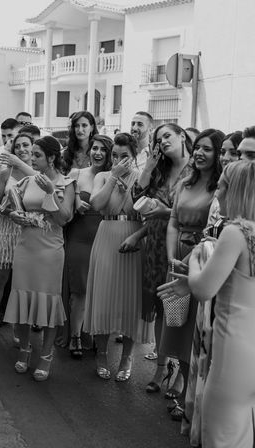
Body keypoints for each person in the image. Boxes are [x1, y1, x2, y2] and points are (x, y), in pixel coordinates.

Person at [182, 160, 255, 448]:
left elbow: (202, 289)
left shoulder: (236, 232)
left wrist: (198, 259)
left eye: (223, 186)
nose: (217, 193)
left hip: (234, 351)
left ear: (237, 190)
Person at [162, 128, 223, 421]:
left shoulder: (219, 188)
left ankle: (191, 395)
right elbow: (173, 220)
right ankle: (183, 382)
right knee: (177, 327)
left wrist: (187, 261)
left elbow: (211, 233)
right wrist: (171, 257)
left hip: (202, 260)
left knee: (195, 333)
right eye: (197, 147)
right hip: (176, 258)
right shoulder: (186, 182)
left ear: (219, 154)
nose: (199, 153)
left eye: (208, 149)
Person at [5, 136, 76, 381]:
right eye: (31, 154)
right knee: (22, 299)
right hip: (26, 246)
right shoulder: (27, 181)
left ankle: (46, 355)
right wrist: (16, 216)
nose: (31, 158)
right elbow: (14, 208)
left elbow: (64, 219)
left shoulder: (66, 183)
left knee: (48, 302)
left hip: (50, 250)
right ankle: (25, 350)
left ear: (52, 158)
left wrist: (50, 193)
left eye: (37, 155)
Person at [131, 122, 192, 399]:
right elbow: (137, 196)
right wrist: (147, 166)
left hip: (184, 246)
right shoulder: (159, 170)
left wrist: (165, 212)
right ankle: (160, 367)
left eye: (168, 135)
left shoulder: (196, 170)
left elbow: (190, 216)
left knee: (182, 311)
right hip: (156, 244)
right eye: (159, 138)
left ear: (182, 136)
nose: (163, 141)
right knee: (161, 304)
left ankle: (181, 373)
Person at [83, 133, 150, 380]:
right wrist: (113, 177)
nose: (118, 160)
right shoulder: (102, 176)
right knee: (104, 294)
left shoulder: (141, 177)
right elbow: (97, 204)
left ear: (134, 157)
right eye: (115, 155)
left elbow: (138, 209)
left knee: (131, 298)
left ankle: (127, 358)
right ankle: (101, 354)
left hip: (133, 236)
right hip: (106, 234)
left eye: (125, 156)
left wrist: (131, 181)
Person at [63, 134, 112, 358]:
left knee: (99, 290)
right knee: (80, 289)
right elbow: (62, 200)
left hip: (103, 238)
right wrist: (75, 201)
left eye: (103, 149)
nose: (97, 153)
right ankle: (75, 335)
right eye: (94, 148)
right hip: (79, 238)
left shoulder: (112, 177)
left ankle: (92, 331)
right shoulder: (76, 174)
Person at [0, 133, 36, 347]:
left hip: (29, 233)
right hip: (5, 230)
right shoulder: (6, 173)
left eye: (26, 145)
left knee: (22, 283)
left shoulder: (39, 173)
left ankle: (19, 328)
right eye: (18, 146)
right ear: (12, 150)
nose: (22, 149)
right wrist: (6, 211)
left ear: (34, 147)